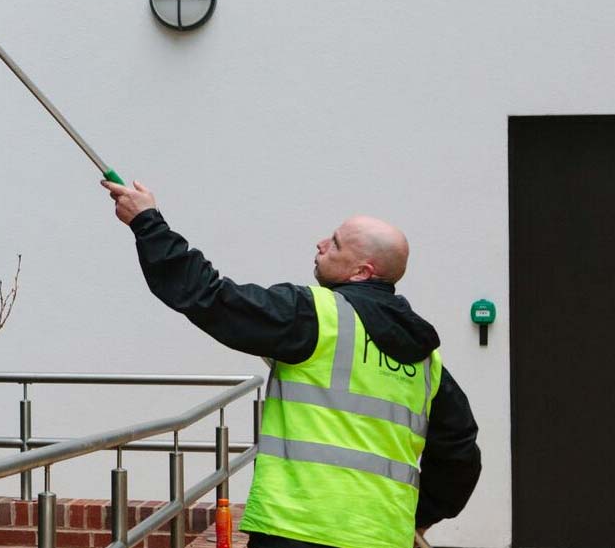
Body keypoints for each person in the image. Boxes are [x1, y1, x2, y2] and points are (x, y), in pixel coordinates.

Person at [101, 179, 481, 548]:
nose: (320, 244)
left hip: (296, 529)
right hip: (382, 534)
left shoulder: (314, 316)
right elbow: (459, 450)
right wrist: (421, 514)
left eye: (334, 243)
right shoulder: (427, 360)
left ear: (361, 272)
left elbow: (209, 296)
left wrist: (147, 222)